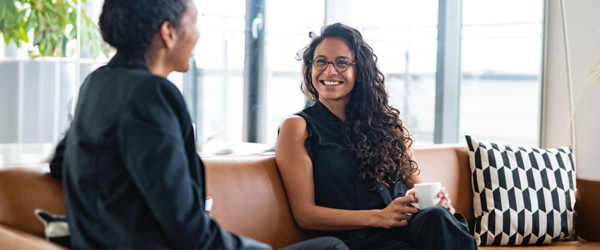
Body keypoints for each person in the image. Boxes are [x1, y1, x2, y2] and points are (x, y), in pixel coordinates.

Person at [49, 1, 348, 249]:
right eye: (193, 23)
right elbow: (187, 228)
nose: (198, 35)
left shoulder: (96, 83)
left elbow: (61, 163)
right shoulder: (152, 94)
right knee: (331, 247)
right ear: (168, 33)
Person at [275, 23, 478, 250]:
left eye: (342, 62)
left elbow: (418, 189)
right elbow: (305, 214)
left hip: (412, 228)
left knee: (437, 218)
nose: (329, 71)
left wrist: (437, 202)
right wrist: (380, 217)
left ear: (360, 72)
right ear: (310, 68)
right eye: (320, 61)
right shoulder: (298, 127)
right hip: (361, 239)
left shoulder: (389, 124)